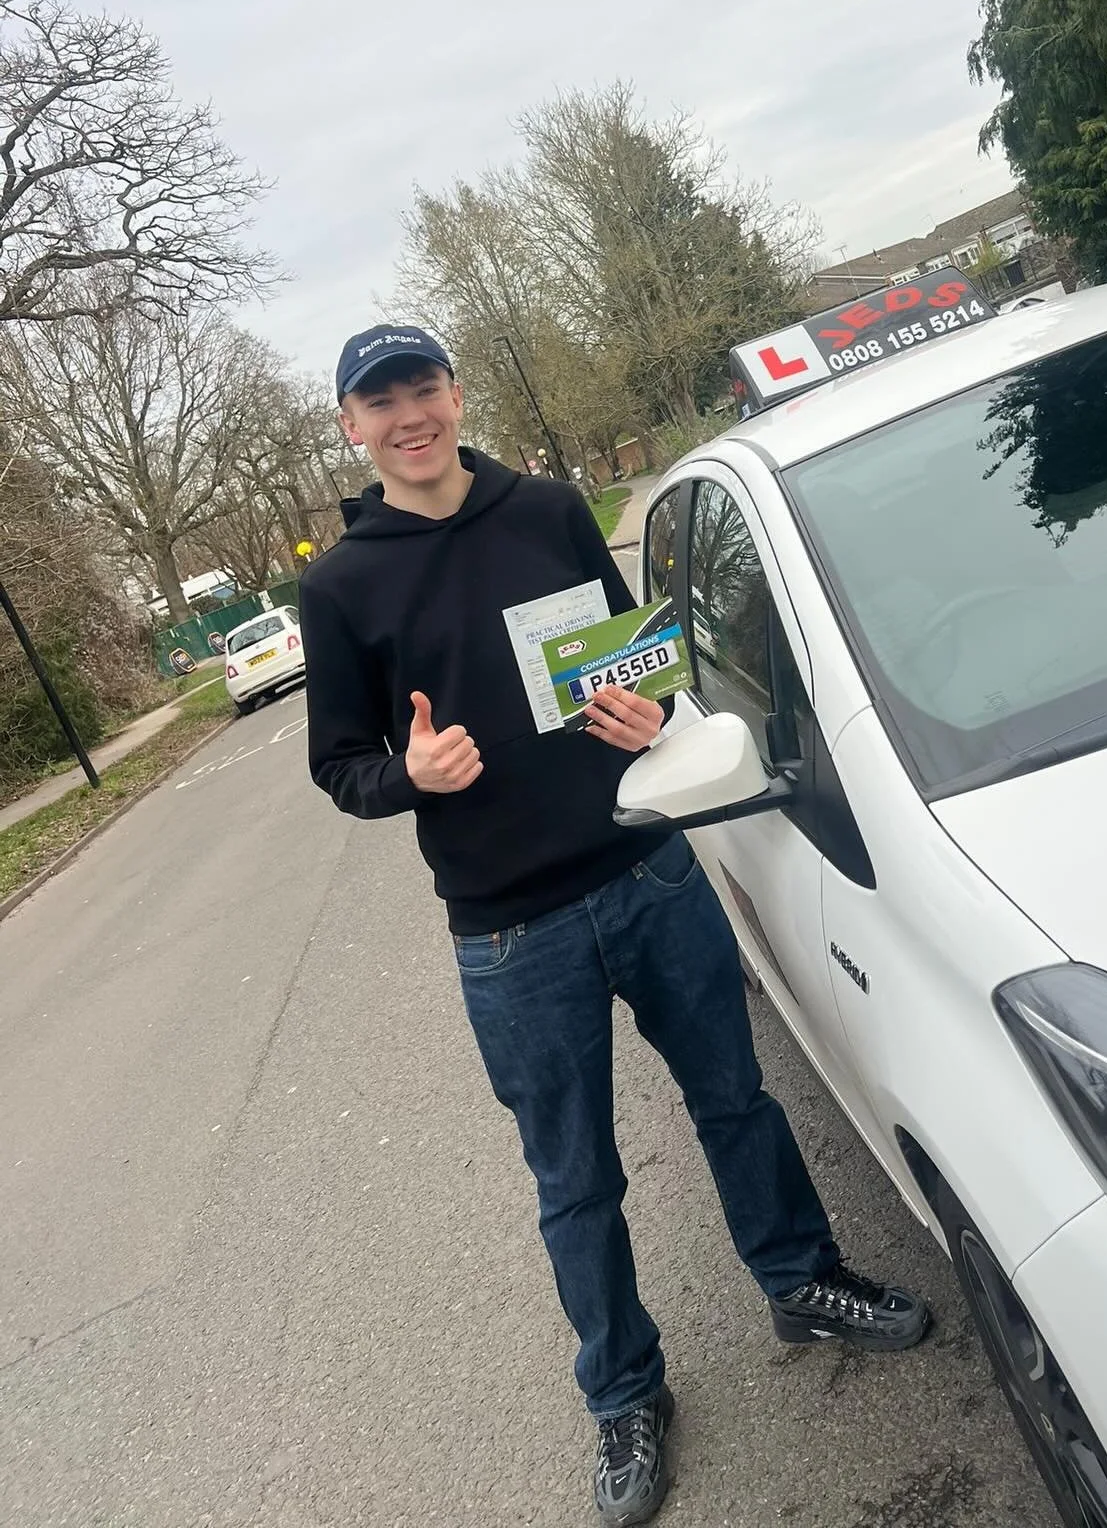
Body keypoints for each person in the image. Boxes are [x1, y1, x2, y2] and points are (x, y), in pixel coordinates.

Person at [301, 324, 929, 1527]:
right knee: (575, 1183)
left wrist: (653, 711)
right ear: (352, 427)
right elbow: (341, 765)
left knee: (736, 1100)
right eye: (380, 402)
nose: (408, 415)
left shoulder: (545, 510)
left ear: (455, 391)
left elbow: (637, 659)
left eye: (423, 387)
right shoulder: (339, 587)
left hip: (646, 871)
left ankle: (802, 1279)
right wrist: (411, 775)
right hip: (508, 935)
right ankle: (624, 1396)